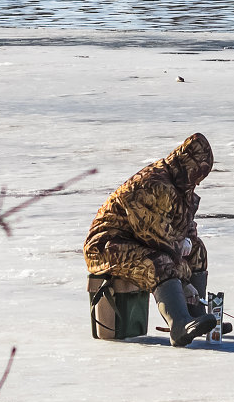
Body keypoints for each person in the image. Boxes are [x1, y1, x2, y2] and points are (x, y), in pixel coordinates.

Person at [84, 133, 217, 347]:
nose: (198, 182)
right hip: (108, 244)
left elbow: (185, 225)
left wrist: (189, 242)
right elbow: (151, 233)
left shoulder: (182, 186)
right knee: (158, 262)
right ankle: (179, 324)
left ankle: (196, 315)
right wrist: (183, 279)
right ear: (185, 165)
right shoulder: (152, 183)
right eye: (196, 174)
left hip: (144, 241)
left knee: (198, 250)